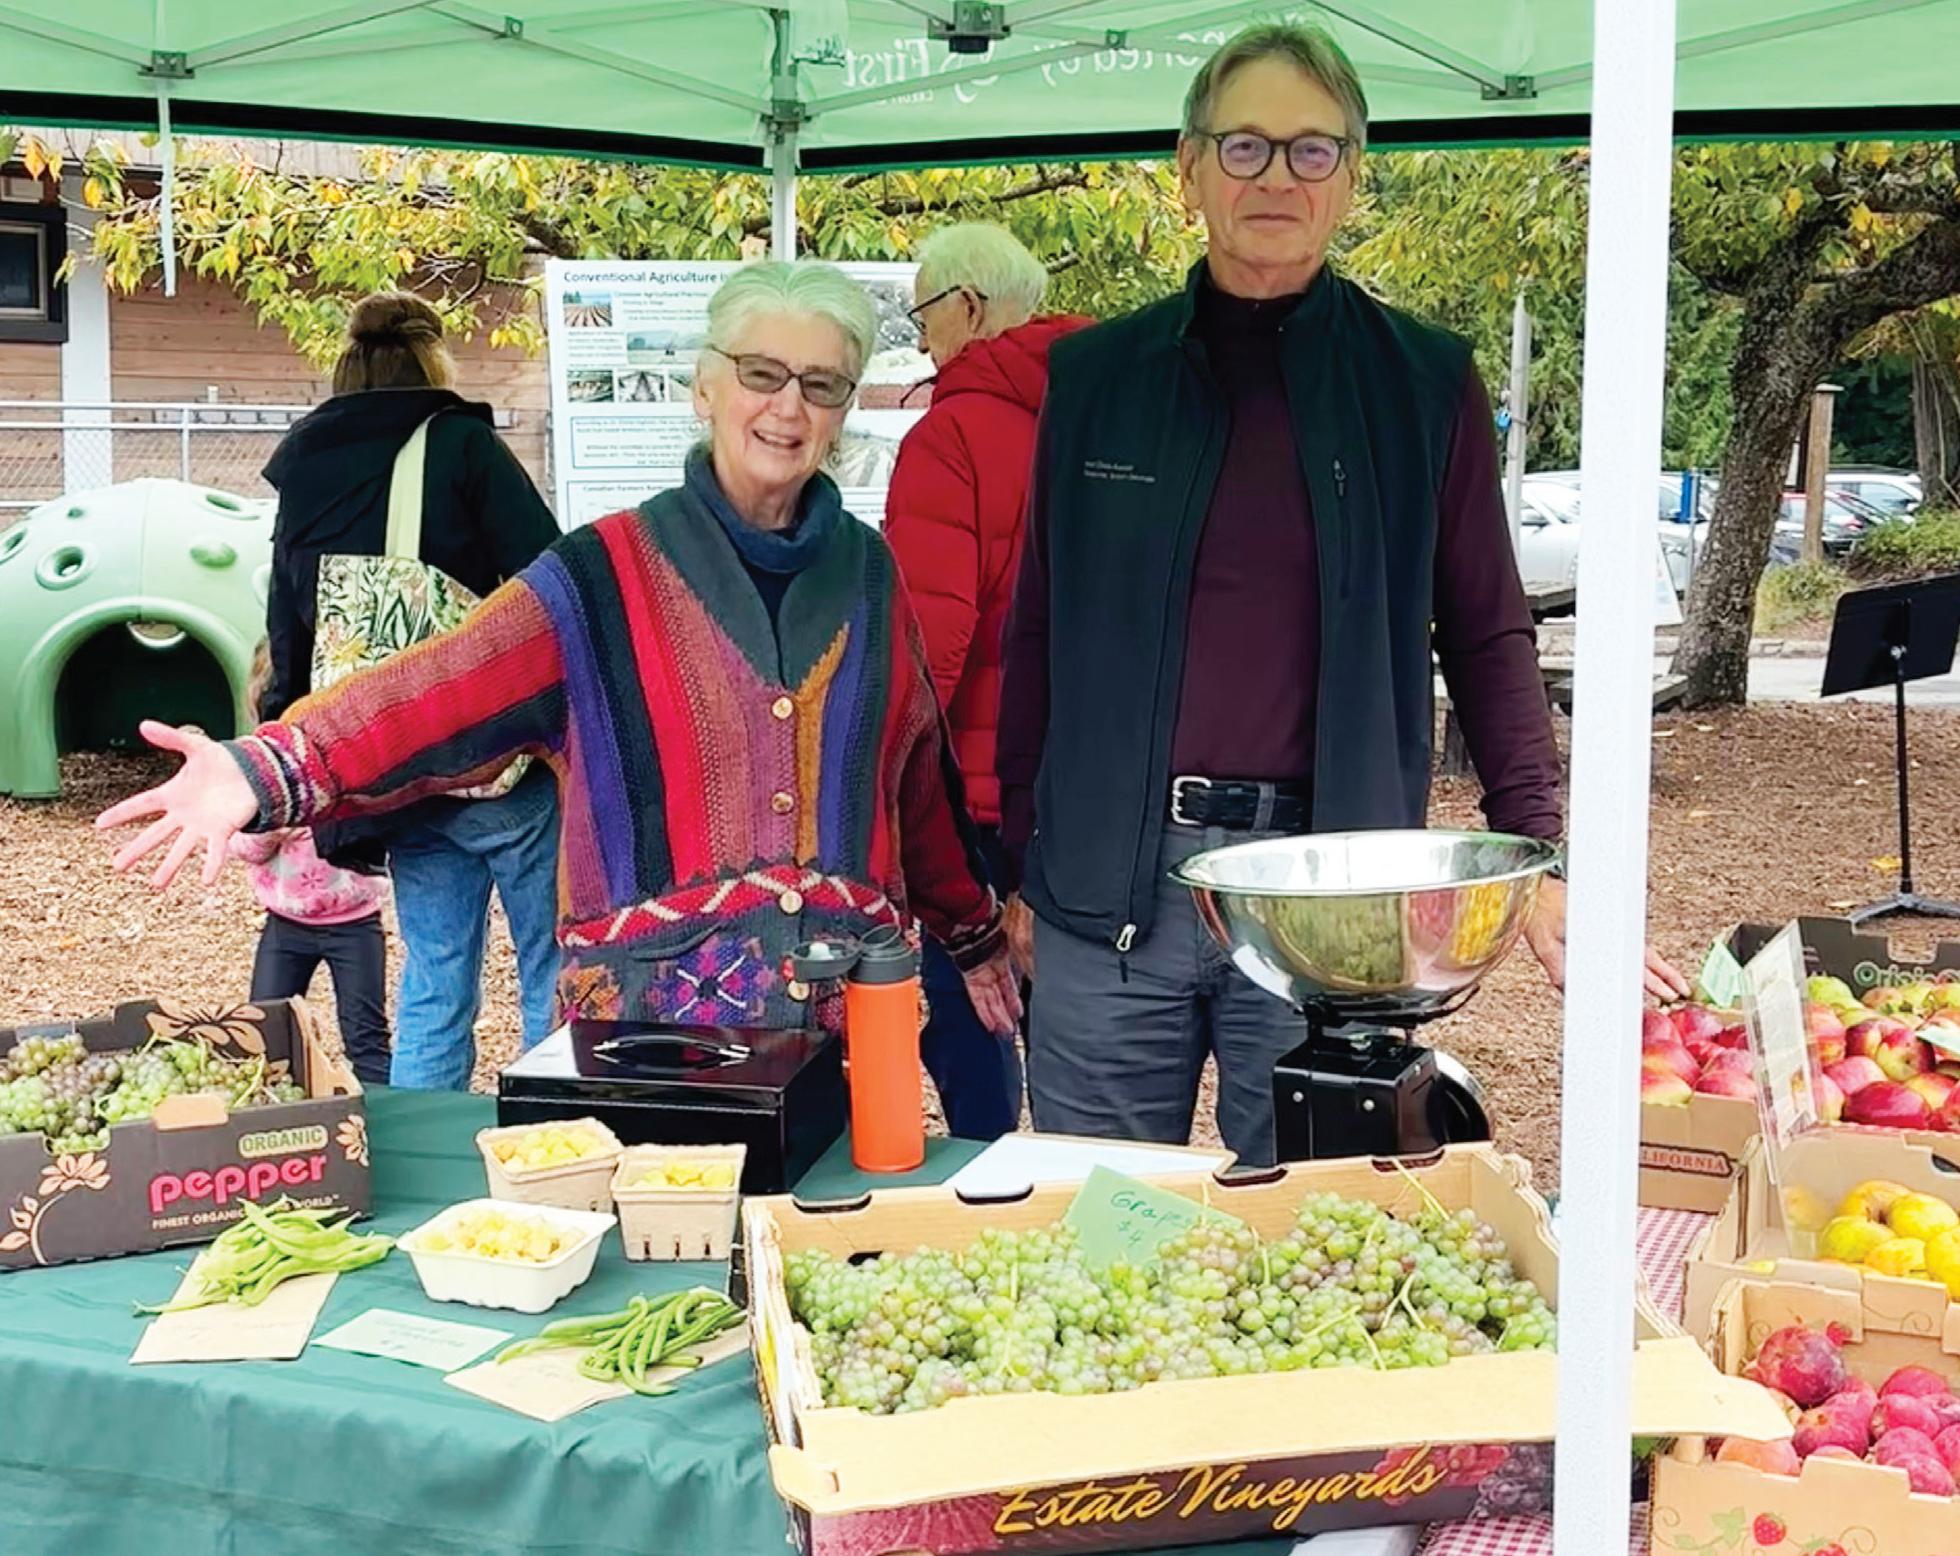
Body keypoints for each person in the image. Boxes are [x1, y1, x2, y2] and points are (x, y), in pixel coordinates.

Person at [995, 23, 1690, 1165]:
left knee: (1315, 1217)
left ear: (1352, 176)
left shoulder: (1420, 383)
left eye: (1311, 150)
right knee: (1104, 1214)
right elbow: (1037, 632)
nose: (1276, 177)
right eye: (1245, 146)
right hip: (1106, 886)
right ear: (1188, 166)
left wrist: (1541, 855)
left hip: (1331, 898)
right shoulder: (1094, 380)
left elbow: (1488, 631)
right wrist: (1011, 862)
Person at [100, 261, 1022, 1052]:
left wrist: (973, 932)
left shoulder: (869, 577)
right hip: (648, 1049)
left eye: (822, 384)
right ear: (705, 388)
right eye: (761, 373)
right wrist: (265, 768)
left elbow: (913, 782)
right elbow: (437, 691)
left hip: (842, 1042)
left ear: (844, 411)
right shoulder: (601, 576)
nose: (788, 406)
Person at [260, 291, 564, 1089]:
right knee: (553, 967)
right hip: (497, 758)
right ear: (433, 362)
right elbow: (551, 582)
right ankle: (555, 1137)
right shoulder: (462, 446)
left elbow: (288, 621)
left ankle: (428, 1141)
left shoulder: (304, 469)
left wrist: (288, 742)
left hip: (395, 771)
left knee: (433, 976)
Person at [884, 224, 1090, 1140]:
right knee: (1082, 1031)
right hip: (1095, 792)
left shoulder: (950, 435)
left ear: (966, 308)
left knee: (975, 1015)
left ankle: (986, 1185)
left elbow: (928, 643)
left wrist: (888, 781)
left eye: (924, 315)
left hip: (976, 790)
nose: (923, 338)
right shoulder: (1106, 413)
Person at [231, 642, 392, 1086]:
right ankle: (269, 1107)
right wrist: (274, 828)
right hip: (286, 924)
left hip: (354, 922)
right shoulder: (262, 766)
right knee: (264, 1029)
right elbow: (243, 846)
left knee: (366, 1036)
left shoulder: (353, 755)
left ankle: (379, 1107)